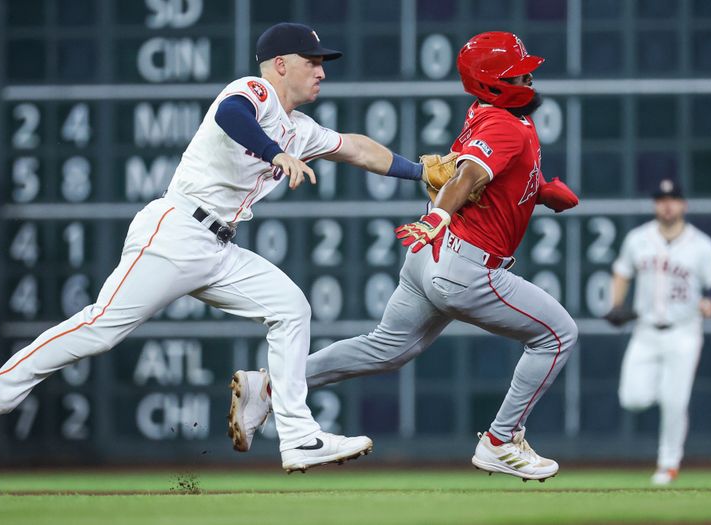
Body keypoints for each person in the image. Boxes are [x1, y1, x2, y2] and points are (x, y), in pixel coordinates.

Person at [0, 22, 425, 473]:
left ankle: (298, 436)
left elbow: (358, 148)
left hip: (219, 250)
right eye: (312, 61)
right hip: (177, 231)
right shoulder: (253, 92)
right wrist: (275, 153)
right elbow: (230, 115)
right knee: (99, 329)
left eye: (323, 62)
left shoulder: (300, 128)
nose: (322, 70)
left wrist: (422, 173)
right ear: (279, 64)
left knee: (291, 308)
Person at [228, 31, 580, 482]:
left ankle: (269, 387)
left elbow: (483, 173)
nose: (529, 77)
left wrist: (537, 190)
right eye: (517, 71)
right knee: (557, 334)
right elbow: (467, 175)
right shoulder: (504, 123)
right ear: (494, 81)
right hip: (465, 266)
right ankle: (501, 440)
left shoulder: (489, 114)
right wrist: (438, 216)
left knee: (386, 348)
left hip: (429, 263)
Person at [606, 179, 711, 485]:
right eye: (662, 199)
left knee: (675, 402)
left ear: (683, 204)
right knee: (632, 397)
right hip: (645, 330)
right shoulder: (638, 239)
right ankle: (666, 389)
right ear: (655, 204)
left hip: (684, 332)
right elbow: (621, 272)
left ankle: (668, 464)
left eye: (673, 198)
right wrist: (616, 303)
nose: (667, 204)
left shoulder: (701, 245)